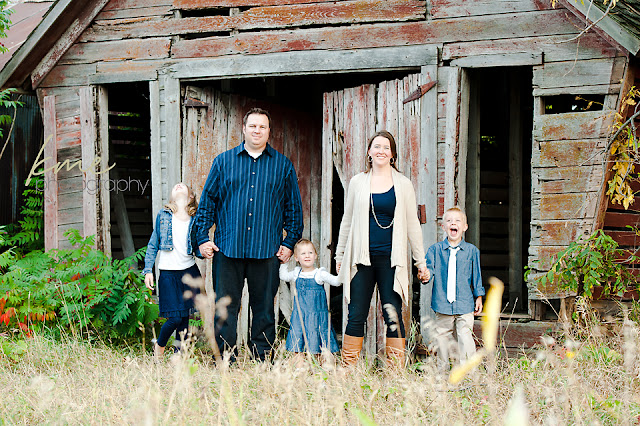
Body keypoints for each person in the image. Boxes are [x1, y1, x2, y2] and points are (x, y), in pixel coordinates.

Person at [194, 107, 303, 362]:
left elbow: (294, 208)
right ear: (243, 129)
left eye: (262, 127)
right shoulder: (223, 162)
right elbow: (207, 203)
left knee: (264, 310)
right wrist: (202, 238)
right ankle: (224, 359)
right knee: (225, 308)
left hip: (266, 249)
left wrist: (289, 242)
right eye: (252, 126)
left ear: (269, 131)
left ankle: (261, 359)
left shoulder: (283, 166)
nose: (257, 130)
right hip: (228, 248)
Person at [335, 130, 428, 368]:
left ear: (392, 154)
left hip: (391, 261)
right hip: (361, 261)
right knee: (356, 315)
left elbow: (413, 226)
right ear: (369, 151)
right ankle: (348, 371)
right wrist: (340, 255)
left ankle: (394, 374)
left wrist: (421, 262)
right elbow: (347, 220)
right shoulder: (357, 182)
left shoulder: (403, 184)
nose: (381, 151)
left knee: (392, 315)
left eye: (386, 148)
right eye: (377, 146)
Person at [143, 182, 201, 360]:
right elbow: (153, 244)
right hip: (168, 273)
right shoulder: (163, 215)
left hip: (189, 272)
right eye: (176, 186)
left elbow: (197, 246)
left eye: (183, 185)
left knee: (184, 317)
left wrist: (206, 250)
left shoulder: (195, 218)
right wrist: (148, 270)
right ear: (171, 197)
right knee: (175, 318)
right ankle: (160, 345)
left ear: (191, 196)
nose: (178, 186)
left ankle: (179, 356)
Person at [423, 206, 485, 369]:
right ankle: (442, 372)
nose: (453, 223)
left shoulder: (472, 251)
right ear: (443, 226)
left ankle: (467, 372)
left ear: (465, 227)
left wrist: (479, 297)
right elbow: (429, 269)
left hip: (465, 303)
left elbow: (476, 276)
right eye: (449, 221)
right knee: (442, 337)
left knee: (465, 336)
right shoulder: (435, 250)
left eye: (457, 221)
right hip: (442, 302)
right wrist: (425, 275)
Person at [279, 239, 341, 362]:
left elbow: (337, 282)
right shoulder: (297, 273)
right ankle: (299, 367)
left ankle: (319, 366)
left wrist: (342, 270)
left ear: (315, 255)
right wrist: (283, 262)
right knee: (298, 344)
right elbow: (283, 276)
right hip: (300, 316)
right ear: (296, 258)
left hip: (316, 317)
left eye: (310, 253)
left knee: (318, 343)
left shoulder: (319, 274)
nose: (307, 256)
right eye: (303, 253)